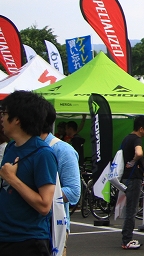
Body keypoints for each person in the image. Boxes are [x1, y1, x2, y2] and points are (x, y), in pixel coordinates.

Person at [0, 90, 58, 255]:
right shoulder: (11, 147)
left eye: (4, 113)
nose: (1, 118)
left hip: (28, 241)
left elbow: (44, 205)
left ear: (17, 119)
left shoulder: (43, 154)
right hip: (5, 236)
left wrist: (12, 178)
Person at [40, 101, 81, 256]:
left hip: (53, 226)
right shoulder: (17, 146)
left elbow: (73, 192)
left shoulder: (62, 150)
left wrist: (39, 195)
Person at [120, 115, 144, 250]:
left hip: (126, 177)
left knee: (129, 208)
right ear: (141, 128)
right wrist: (134, 161)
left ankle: (126, 237)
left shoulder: (126, 138)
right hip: (133, 177)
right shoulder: (136, 139)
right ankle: (127, 239)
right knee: (131, 209)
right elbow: (139, 153)